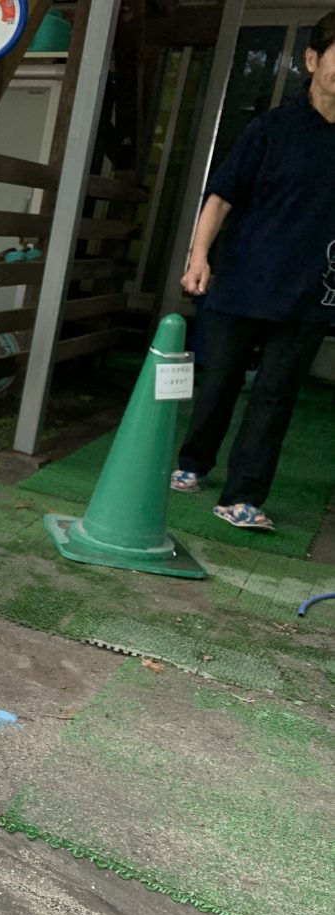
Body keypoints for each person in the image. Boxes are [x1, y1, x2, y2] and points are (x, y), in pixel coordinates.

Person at [172, 10, 335, 530]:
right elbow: (220, 197)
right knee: (218, 383)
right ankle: (193, 463)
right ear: (312, 60)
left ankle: (243, 496)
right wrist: (199, 257)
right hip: (242, 281)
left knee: (276, 396)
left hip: (311, 293)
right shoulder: (270, 129)